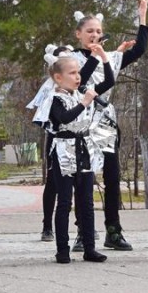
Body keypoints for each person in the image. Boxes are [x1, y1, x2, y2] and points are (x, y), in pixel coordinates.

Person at [40, 0, 148, 251]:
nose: (95, 35)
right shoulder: (71, 59)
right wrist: (94, 57)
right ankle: (83, 232)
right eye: (90, 31)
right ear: (78, 34)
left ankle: (114, 230)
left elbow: (140, 49)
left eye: (99, 31)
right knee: (82, 179)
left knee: (112, 176)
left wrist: (142, 17)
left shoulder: (110, 56)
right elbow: (81, 80)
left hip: (106, 123)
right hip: (80, 122)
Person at [44, 49, 114, 264]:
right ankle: (62, 249)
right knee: (64, 202)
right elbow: (64, 118)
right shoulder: (54, 98)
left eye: (78, 73)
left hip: (84, 149)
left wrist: (103, 56)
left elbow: (109, 81)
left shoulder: (81, 92)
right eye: (72, 73)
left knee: (87, 202)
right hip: (64, 150)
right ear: (58, 77)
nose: (78, 77)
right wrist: (84, 102)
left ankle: (89, 247)